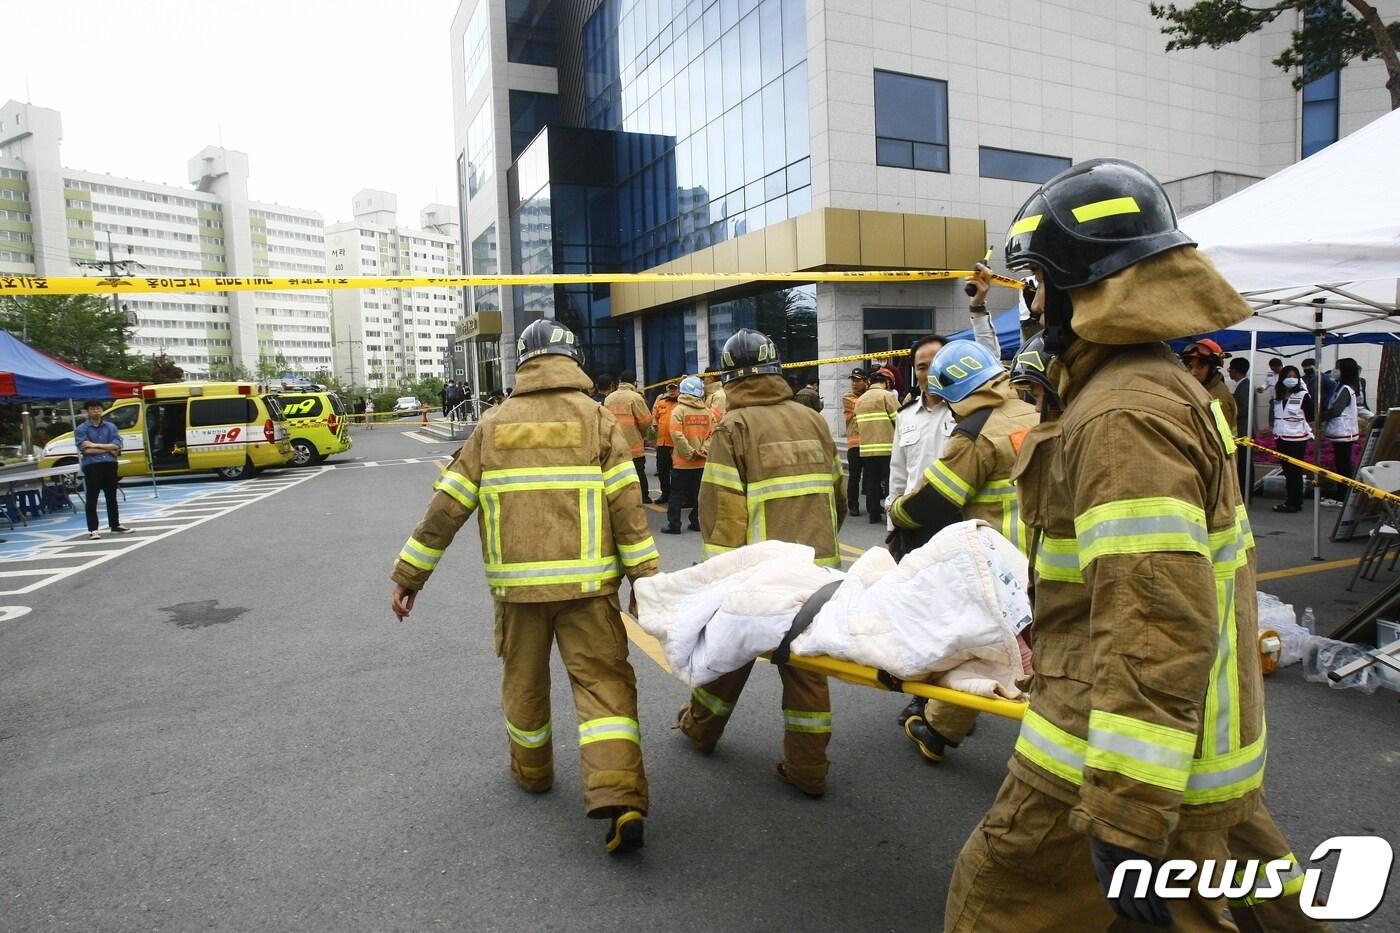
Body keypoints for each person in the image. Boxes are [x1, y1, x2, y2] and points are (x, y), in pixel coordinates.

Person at [945, 158, 1284, 931]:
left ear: (1072, 281)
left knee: (993, 903)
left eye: (1032, 284)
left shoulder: (1120, 413)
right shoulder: (1146, 386)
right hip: (1185, 746)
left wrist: (1127, 812)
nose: (1028, 306)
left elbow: (1156, 620)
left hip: (1103, 751)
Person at [388, 319, 659, 855]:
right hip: (589, 591)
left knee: (525, 687)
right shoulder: (599, 420)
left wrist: (409, 575)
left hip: (519, 596)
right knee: (604, 686)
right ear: (571, 360)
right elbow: (629, 509)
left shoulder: (492, 425)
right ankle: (620, 796)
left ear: (524, 363)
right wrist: (644, 581)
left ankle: (534, 774)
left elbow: (448, 505)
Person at [679, 328, 845, 798]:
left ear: (729, 375)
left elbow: (722, 512)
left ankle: (700, 729)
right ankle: (809, 769)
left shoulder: (734, 428)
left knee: (726, 652)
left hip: (761, 575)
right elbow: (839, 496)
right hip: (818, 571)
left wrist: (716, 580)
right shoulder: (813, 420)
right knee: (807, 670)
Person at [887, 338, 1038, 763]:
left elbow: (935, 499)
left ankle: (942, 726)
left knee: (981, 645)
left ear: (954, 394)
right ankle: (939, 728)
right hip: (1048, 550)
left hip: (999, 559)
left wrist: (898, 513)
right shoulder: (1030, 412)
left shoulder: (976, 434)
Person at [663, 376, 719, 534]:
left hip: (682, 462)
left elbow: (676, 435)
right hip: (701, 462)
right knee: (698, 495)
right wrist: (703, 451)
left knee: (676, 495)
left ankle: (674, 525)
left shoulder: (678, 411)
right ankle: (696, 522)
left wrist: (689, 453)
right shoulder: (707, 412)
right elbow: (713, 434)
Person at [75, 400, 133, 540]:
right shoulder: (82, 428)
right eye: (92, 409)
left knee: (111, 496)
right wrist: (108, 448)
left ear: (102, 410)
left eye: (98, 408)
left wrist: (95, 445)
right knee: (92, 498)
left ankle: (115, 525)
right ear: (87, 411)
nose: (96, 411)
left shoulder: (111, 426)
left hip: (110, 465)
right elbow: (85, 450)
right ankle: (93, 529)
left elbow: (117, 445)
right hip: (92, 466)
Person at [853, 369, 898, 524]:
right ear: (885, 383)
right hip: (887, 448)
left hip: (866, 449)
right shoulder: (887, 396)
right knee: (889, 481)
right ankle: (891, 513)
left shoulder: (860, 400)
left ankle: (873, 514)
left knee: (871, 481)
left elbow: (857, 425)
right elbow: (899, 420)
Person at [604, 371, 654, 504]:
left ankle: (619, 497)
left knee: (617, 472)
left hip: (614, 444)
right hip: (633, 445)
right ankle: (644, 496)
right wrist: (643, 434)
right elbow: (646, 420)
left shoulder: (608, 398)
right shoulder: (635, 397)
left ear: (620, 381)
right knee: (638, 472)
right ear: (634, 382)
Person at [1272, 364, 1313, 514]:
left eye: (1295, 376)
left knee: (1294, 471)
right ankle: (1293, 499)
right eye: (1289, 376)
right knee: (1287, 471)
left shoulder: (1303, 395)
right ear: (1282, 378)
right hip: (1281, 437)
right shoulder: (1278, 396)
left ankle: (1293, 502)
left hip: (1297, 439)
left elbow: (1311, 417)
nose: (1292, 379)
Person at [1321, 357, 1362, 506]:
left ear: (1345, 370)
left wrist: (1318, 418)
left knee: (1343, 465)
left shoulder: (1345, 389)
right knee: (1342, 464)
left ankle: (1342, 497)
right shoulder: (1342, 387)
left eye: (1337, 368)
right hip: (1343, 432)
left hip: (1344, 433)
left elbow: (1336, 410)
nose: (1334, 371)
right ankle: (1342, 494)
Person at [1181, 338, 1236, 427]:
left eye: (1200, 367)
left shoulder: (1217, 399)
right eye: (1190, 366)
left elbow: (1218, 438)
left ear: (1212, 369)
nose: (1193, 373)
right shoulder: (1202, 388)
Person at [842, 368, 868, 516]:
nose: (854, 383)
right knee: (854, 477)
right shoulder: (848, 397)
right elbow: (861, 406)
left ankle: (873, 506)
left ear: (866, 382)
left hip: (870, 442)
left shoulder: (869, 395)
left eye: (858, 380)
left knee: (871, 477)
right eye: (853, 380)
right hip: (855, 444)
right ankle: (853, 506)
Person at [651, 382, 680, 504]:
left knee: (677, 472)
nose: (672, 391)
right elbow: (655, 417)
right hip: (662, 443)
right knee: (662, 470)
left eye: (674, 389)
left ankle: (677, 495)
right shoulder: (662, 403)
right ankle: (665, 494)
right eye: (670, 389)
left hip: (676, 443)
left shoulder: (682, 403)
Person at [1229, 357, 1252, 496]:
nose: (1229, 372)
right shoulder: (1242, 385)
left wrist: (1232, 410)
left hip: (1244, 430)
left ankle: (1245, 491)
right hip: (1243, 429)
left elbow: (1244, 409)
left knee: (1244, 463)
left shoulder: (1244, 386)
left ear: (1236, 370)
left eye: (1230, 369)